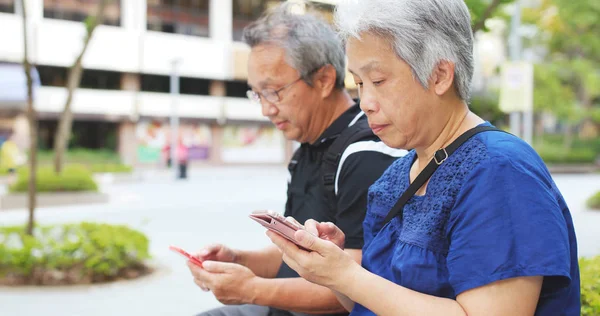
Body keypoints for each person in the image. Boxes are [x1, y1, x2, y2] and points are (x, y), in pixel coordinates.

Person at [266, 0, 581, 315]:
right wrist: (336, 271)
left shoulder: (499, 171)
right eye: (359, 84)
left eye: (378, 81)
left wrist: (348, 276)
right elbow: (372, 303)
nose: (365, 103)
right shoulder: (395, 176)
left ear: (440, 75)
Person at [187, 2, 406, 316]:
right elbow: (295, 257)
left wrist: (251, 289)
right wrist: (237, 260)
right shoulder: (308, 145)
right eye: (257, 94)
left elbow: (359, 285)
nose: (266, 109)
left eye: (274, 91)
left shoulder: (366, 152)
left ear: (324, 79)